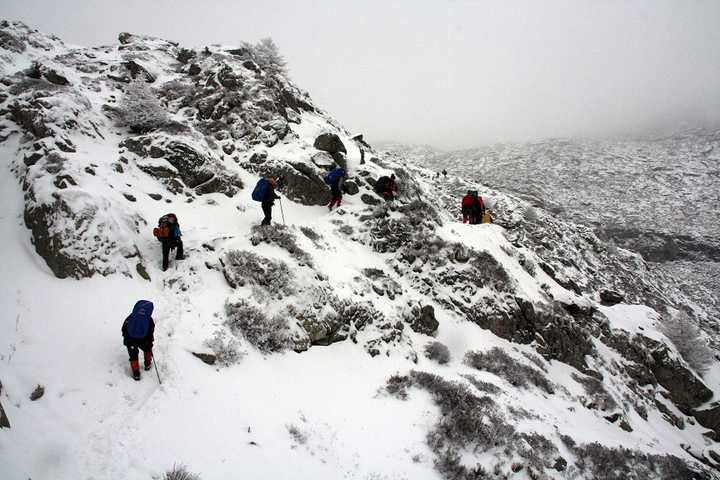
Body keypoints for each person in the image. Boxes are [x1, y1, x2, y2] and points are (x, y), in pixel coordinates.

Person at [121, 300, 155, 381]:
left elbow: (124, 329)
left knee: (133, 355)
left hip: (130, 340)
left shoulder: (131, 317)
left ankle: (136, 373)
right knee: (147, 348)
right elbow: (150, 335)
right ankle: (147, 364)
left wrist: (126, 339)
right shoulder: (149, 321)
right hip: (143, 340)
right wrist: (150, 343)